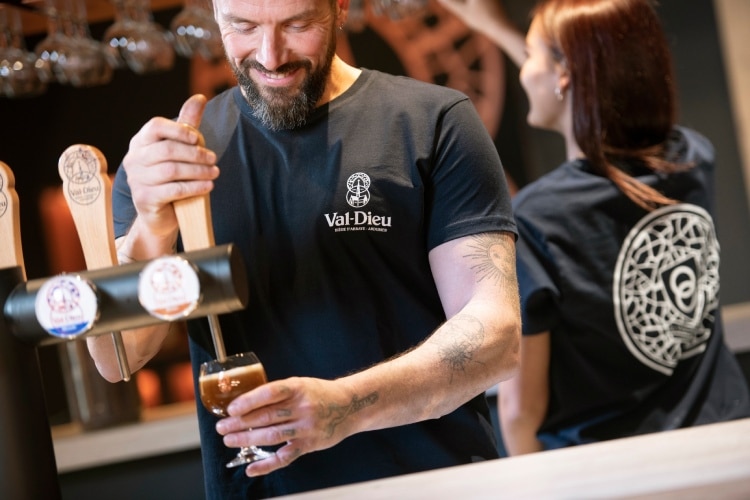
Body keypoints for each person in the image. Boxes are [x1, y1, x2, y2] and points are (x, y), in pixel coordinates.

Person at [88, 0, 522, 497]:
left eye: (297, 25)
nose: (270, 55)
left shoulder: (433, 121)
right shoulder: (172, 160)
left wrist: (344, 406)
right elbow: (116, 358)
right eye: (244, 27)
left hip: (436, 483)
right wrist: (153, 226)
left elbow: (497, 336)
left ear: (339, 9)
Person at [437, 0, 750, 455]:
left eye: (532, 54)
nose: (526, 71)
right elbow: (592, 82)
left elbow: (522, 412)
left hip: (619, 474)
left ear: (565, 76)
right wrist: (501, 31)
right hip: (727, 445)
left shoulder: (535, 219)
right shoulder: (692, 158)